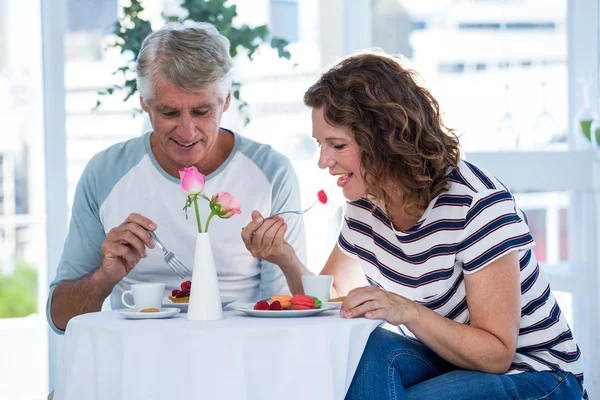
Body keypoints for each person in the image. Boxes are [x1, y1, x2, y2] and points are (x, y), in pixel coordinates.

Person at [242, 51, 585, 399]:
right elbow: (330, 301)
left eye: (338, 145)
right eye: (320, 144)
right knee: (366, 345)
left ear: (384, 138)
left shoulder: (476, 203)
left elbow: (496, 354)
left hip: (539, 372)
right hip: (449, 360)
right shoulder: (365, 204)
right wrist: (284, 257)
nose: (323, 161)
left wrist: (407, 311)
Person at [46, 22, 307, 335]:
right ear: (145, 104)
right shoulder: (106, 173)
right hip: (135, 365)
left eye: (201, 111)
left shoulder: (271, 172)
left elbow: (288, 316)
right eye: (169, 112)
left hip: (239, 361)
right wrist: (104, 278)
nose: (187, 132)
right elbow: (60, 319)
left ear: (226, 101)